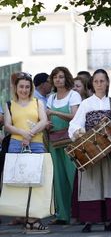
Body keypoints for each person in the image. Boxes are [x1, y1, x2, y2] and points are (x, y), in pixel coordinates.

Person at [68, 69, 111, 233]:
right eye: (96, 81)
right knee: (91, 185)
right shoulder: (86, 103)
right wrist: (78, 133)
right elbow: (75, 124)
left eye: (102, 81)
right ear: (92, 83)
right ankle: (89, 220)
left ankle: (110, 221)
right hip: (91, 151)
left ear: (107, 82)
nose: (99, 84)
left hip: (110, 151)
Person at [4, 72, 49, 234]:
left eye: (27, 87)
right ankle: (24, 218)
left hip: (36, 144)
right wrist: (24, 135)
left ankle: (33, 220)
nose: (24, 89)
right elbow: (8, 126)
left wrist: (29, 135)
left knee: (36, 183)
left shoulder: (37, 102)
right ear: (16, 88)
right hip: (16, 145)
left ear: (31, 88)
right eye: (21, 86)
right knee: (18, 182)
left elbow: (43, 121)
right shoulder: (9, 104)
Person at [45, 67, 82, 225]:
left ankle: (80, 214)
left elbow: (75, 116)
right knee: (58, 178)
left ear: (66, 78)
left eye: (61, 77)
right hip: (55, 140)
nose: (58, 80)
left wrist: (54, 113)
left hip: (71, 141)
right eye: (55, 77)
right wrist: (47, 125)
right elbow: (47, 119)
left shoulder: (74, 95)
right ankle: (63, 215)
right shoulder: (51, 98)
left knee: (73, 176)